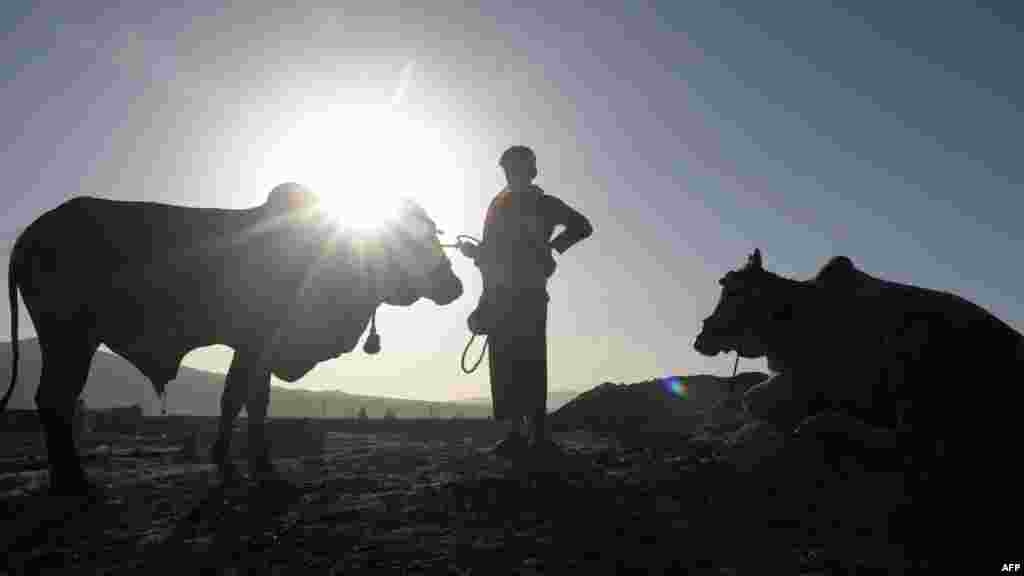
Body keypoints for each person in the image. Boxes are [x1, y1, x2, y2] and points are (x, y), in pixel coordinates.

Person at [460, 145, 592, 457]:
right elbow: (490, 256)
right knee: (504, 362)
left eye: (516, 168)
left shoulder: (544, 203)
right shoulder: (497, 206)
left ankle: (539, 436)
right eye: (507, 169)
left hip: (529, 293)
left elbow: (583, 226)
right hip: (499, 294)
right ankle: (516, 435)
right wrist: (476, 255)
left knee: (530, 361)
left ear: (528, 170)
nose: (511, 174)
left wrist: (550, 248)